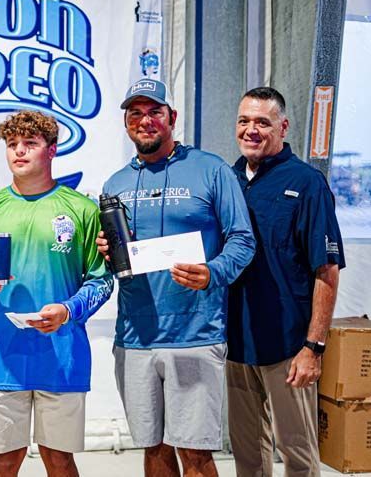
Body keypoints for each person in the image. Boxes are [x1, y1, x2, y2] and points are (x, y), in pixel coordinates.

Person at [97, 78, 255, 477]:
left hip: (196, 334)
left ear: (172, 118)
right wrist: (106, 250)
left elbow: (242, 239)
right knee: (153, 449)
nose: (145, 120)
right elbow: (117, 260)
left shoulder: (211, 170)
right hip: (135, 336)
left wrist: (212, 273)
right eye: (136, 113)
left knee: (196, 454)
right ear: (126, 122)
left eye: (155, 112)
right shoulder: (115, 184)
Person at [0, 110, 113, 477]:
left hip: (62, 354)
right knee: (5, 460)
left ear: (52, 150)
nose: (19, 152)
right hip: (0, 357)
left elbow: (102, 281)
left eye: (30, 144)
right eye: (12, 145)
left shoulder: (82, 210)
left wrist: (68, 310)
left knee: (59, 459)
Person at [226, 87, 345, 476]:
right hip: (236, 344)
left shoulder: (307, 183)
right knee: (247, 456)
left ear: (283, 126)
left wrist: (313, 346)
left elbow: (326, 270)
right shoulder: (228, 181)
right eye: (244, 121)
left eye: (263, 122)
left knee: (297, 453)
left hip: (288, 347)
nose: (252, 130)